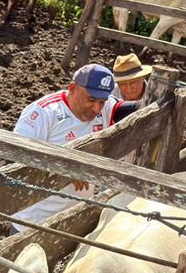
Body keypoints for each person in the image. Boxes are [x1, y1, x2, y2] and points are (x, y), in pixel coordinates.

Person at [11, 63, 116, 227]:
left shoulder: (105, 108)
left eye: (102, 101)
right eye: (91, 99)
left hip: (76, 218)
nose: (97, 108)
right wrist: (66, 169)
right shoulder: (43, 113)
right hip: (34, 220)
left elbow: (129, 110)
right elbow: (16, 154)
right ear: (73, 88)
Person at [104, 53, 151, 125]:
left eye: (133, 82)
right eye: (122, 84)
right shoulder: (108, 96)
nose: (128, 89)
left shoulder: (154, 96)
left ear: (143, 77)